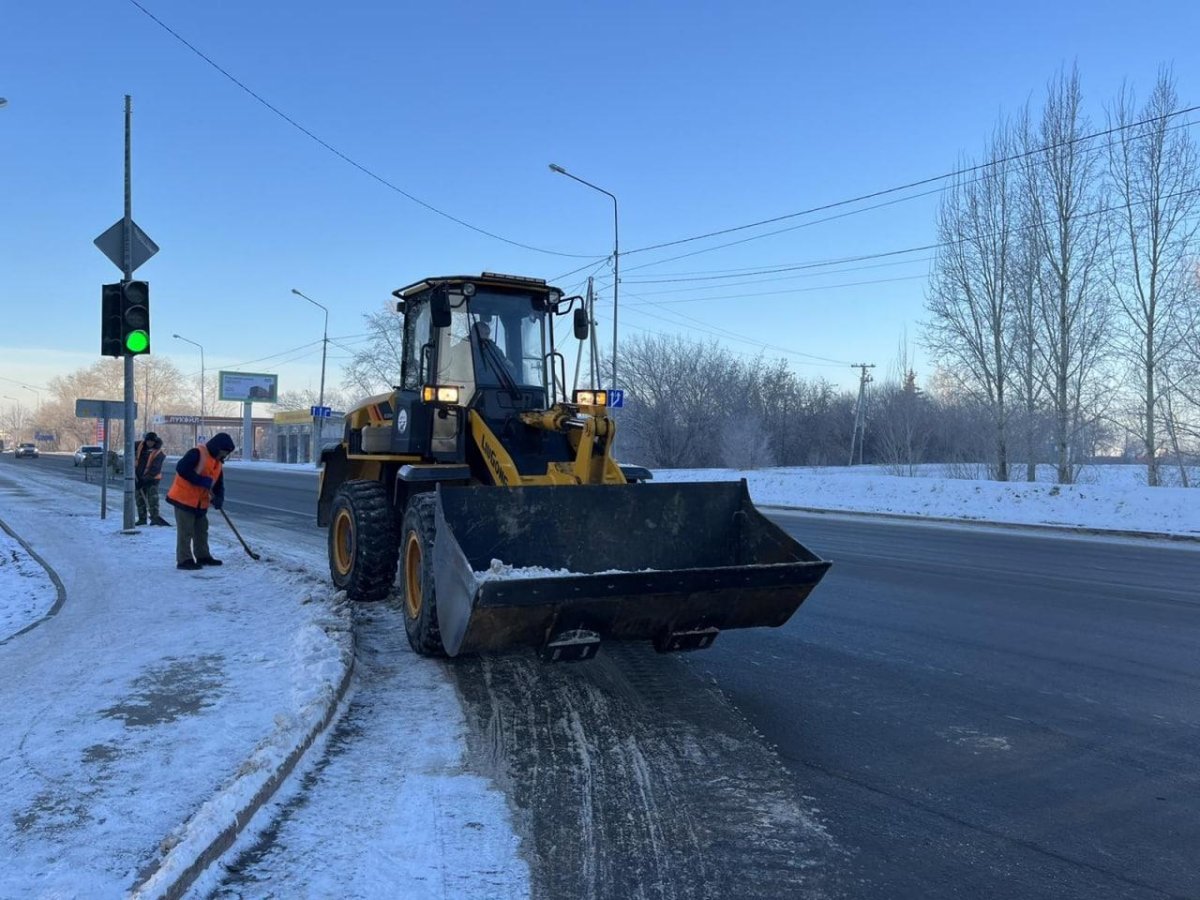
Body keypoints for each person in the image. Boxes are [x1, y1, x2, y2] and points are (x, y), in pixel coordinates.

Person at [166, 432, 235, 571]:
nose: (225, 456)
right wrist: (200, 480)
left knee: (201, 530)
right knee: (186, 531)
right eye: (224, 452)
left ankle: (203, 556)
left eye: (227, 453)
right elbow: (181, 468)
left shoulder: (217, 462)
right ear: (217, 447)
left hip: (200, 502)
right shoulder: (196, 453)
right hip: (184, 499)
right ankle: (184, 560)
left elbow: (218, 483)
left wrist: (219, 498)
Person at [134, 431, 169, 527]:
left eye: (152, 441)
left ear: (155, 441)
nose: (149, 443)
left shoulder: (159, 453)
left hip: (152, 480)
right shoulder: (140, 446)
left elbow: (155, 469)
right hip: (138, 478)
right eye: (148, 441)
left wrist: (144, 480)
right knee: (139, 500)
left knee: (152, 499)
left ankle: (154, 518)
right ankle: (142, 519)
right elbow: (129, 446)